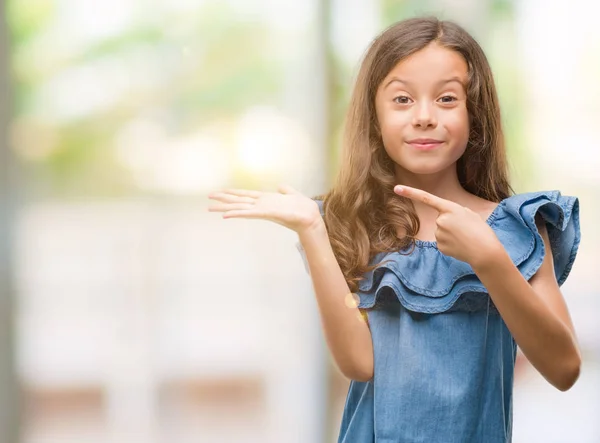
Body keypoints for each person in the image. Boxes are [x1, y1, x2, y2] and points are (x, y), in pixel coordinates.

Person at [208, 16, 582, 443]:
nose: (424, 117)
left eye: (446, 99)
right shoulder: (349, 227)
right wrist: (313, 230)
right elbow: (358, 362)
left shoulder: (518, 228)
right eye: (402, 99)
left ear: (474, 113)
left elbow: (564, 368)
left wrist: (490, 259)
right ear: (374, 116)